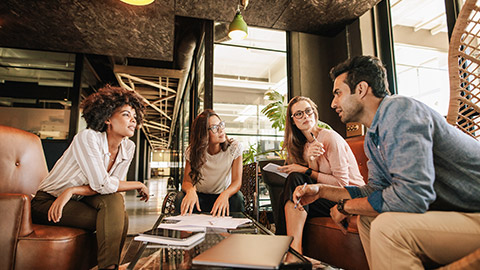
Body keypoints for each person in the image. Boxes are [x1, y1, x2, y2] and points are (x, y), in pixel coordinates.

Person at [294, 55, 480, 269]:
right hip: (456, 215)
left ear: (361, 89)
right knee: (368, 220)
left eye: (338, 93)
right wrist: (321, 191)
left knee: (387, 227)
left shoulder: (400, 111)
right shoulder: (375, 136)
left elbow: (412, 196)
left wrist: (346, 207)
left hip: (474, 211)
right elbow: (375, 190)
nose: (333, 103)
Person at [31, 85, 150, 270]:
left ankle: (109, 267)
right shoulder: (88, 138)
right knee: (118, 218)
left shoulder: (129, 148)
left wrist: (72, 190)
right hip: (48, 201)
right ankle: (109, 267)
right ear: (108, 117)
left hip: (79, 197)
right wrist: (137, 184)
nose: (133, 120)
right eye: (126, 114)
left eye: (135, 116)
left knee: (114, 202)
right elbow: (104, 184)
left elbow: (110, 188)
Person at [277, 96, 365, 254]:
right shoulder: (305, 146)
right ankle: (285, 251)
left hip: (349, 195)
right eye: (298, 114)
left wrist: (306, 170)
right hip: (326, 194)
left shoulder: (330, 138)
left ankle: (292, 252)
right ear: (293, 121)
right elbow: (315, 179)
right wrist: (310, 161)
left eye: (308, 111)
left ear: (315, 113)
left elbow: (341, 185)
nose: (305, 116)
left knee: (296, 180)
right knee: (287, 194)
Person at [175, 109, 244, 217]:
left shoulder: (234, 148)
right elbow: (186, 182)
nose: (221, 130)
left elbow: (236, 182)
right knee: (180, 197)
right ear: (203, 133)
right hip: (199, 199)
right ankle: (184, 231)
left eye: (221, 124)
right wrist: (191, 191)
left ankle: (234, 231)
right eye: (214, 128)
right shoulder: (192, 151)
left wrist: (225, 195)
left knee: (237, 198)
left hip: (222, 197)